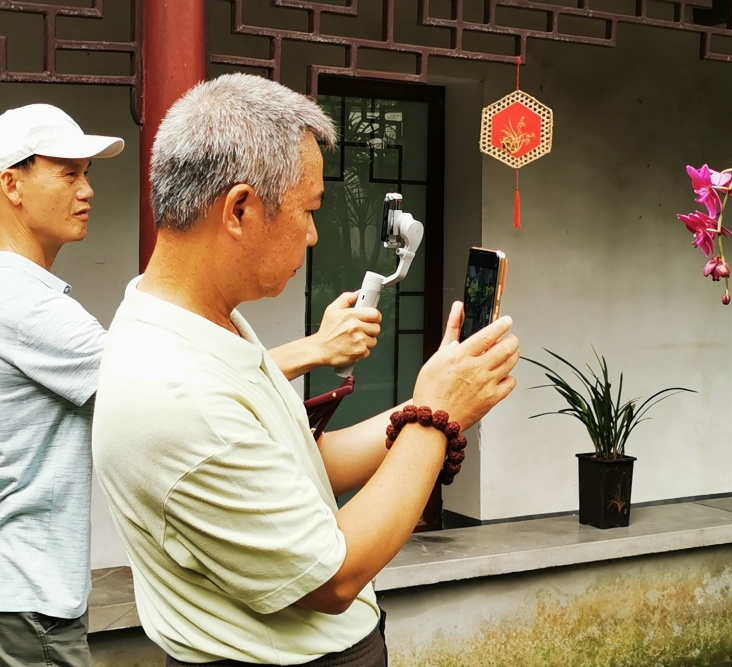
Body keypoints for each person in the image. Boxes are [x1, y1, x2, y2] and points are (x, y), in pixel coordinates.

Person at [93, 73, 519, 667]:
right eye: (309, 209)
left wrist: (435, 397)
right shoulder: (176, 388)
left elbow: (300, 464)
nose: (315, 233)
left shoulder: (200, 326)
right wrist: (439, 417)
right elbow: (334, 578)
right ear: (240, 209)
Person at [0, 103, 383, 667]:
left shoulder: (34, 293)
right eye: (67, 172)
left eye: (88, 174)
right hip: (26, 587)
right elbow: (163, 381)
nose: (87, 190)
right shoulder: (20, 300)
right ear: (11, 183)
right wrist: (318, 349)